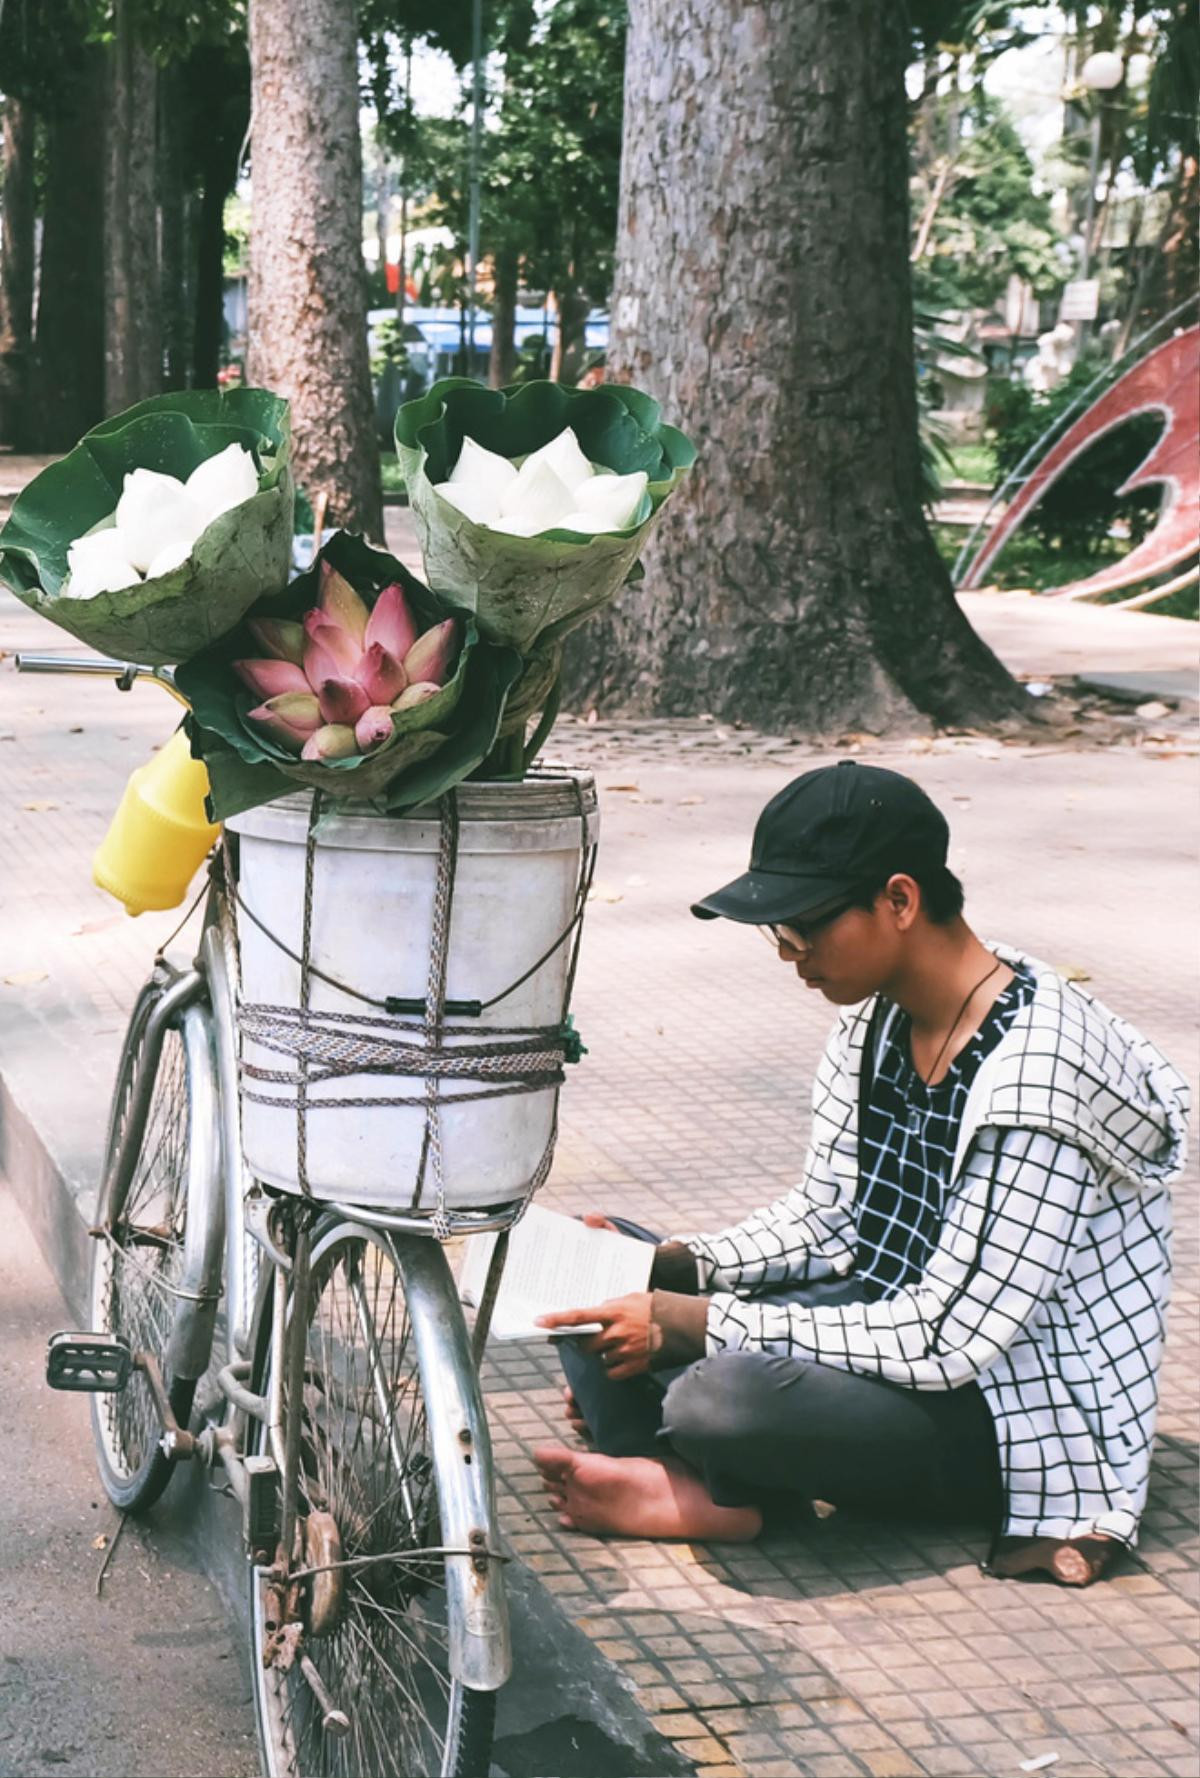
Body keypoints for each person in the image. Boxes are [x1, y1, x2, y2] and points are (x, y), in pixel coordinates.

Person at [535, 762, 1189, 1586]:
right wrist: (670, 1266)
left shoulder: (1039, 1081)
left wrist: (699, 1321)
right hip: (877, 1327)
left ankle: (699, 1475)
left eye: (803, 928)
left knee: (719, 1396)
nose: (791, 957)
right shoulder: (879, 1018)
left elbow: (951, 1337)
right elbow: (830, 1220)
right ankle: (693, 1477)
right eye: (778, 935)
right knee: (598, 1270)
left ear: (900, 901)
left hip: (1006, 1408)